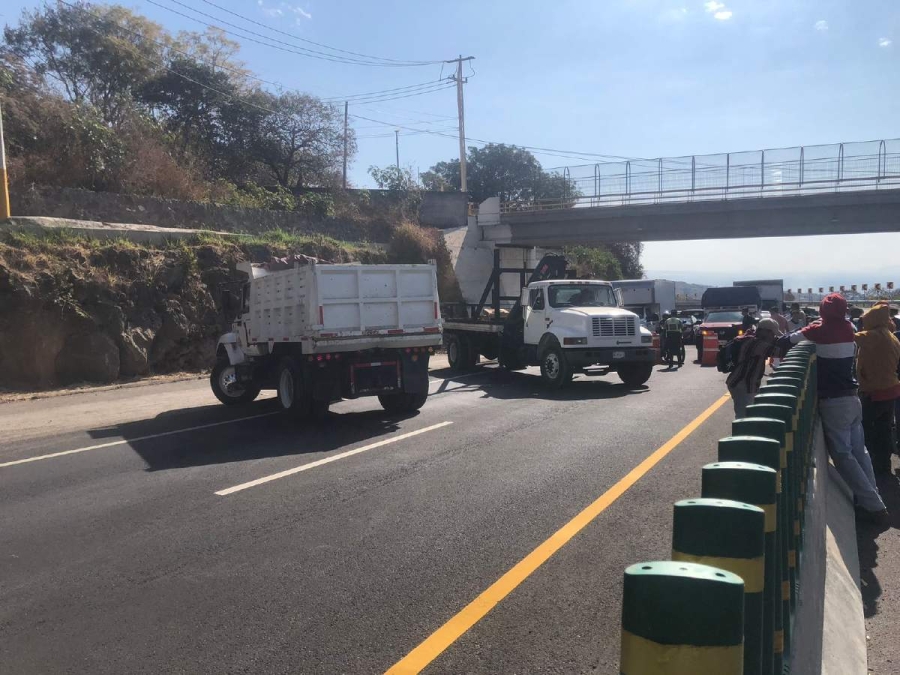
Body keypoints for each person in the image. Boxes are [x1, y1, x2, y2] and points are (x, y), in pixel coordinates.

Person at [779, 293, 888, 525]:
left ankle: (874, 506)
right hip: (852, 397)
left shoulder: (818, 331)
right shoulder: (849, 327)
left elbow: (787, 341)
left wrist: (812, 326)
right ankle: (872, 497)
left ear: (822, 311)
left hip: (833, 402)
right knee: (860, 451)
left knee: (842, 455)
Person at [855, 302, 900, 476]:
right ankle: (884, 465)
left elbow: (849, 337)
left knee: (869, 429)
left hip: (874, 391)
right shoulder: (891, 335)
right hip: (891, 389)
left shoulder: (875, 335)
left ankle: (872, 468)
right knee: (885, 429)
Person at [726, 318, 780, 419]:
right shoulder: (755, 343)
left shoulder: (751, 338)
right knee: (743, 417)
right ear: (765, 332)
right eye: (773, 334)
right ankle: (740, 433)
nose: (773, 337)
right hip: (742, 384)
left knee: (751, 414)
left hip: (743, 383)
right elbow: (778, 352)